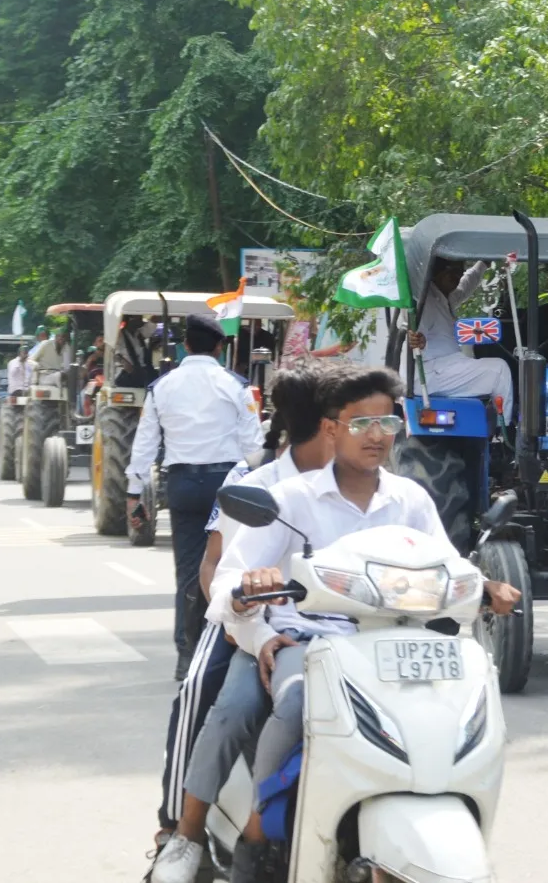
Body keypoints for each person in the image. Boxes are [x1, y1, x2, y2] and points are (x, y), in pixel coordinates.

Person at [206, 363, 522, 882]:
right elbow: (228, 579)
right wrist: (249, 590)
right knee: (296, 705)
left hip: (394, 646)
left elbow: (448, 565)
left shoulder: (410, 499)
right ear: (331, 428)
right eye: (361, 424)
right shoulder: (291, 500)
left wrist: (484, 587)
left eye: (388, 424)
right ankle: (261, 830)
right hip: (310, 644)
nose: (376, 437)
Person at [149, 364, 341, 883]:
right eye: (354, 418)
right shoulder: (254, 482)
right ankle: (181, 833)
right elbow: (216, 568)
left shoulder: (378, 487)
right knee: (215, 700)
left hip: (345, 638)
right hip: (253, 626)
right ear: (326, 424)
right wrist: (252, 630)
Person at [128, 313, 265, 679]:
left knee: (188, 572)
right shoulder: (236, 385)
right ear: (220, 347)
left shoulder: (162, 387)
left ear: (184, 345)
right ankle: (223, 646)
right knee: (228, 566)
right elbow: (254, 445)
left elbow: (144, 444)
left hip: (182, 485)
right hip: (228, 486)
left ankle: (186, 655)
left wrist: (133, 493)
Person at [406, 258, 514, 411]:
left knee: (490, 365)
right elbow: (416, 335)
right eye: (453, 273)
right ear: (438, 273)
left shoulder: (443, 296)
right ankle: (505, 427)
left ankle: (494, 420)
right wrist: (419, 341)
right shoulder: (427, 301)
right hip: (433, 372)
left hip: (447, 367)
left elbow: (466, 285)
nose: (457, 278)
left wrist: (484, 263)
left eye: (459, 273)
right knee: (499, 369)